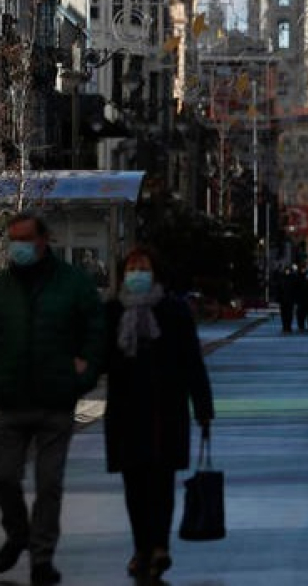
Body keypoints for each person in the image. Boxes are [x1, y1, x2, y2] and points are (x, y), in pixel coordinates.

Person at [0, 212, 104, 586]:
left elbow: (95, 332)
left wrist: (83, 375)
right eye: (14, 239)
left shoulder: (73, 284)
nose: (19, 247)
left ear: (44, 240)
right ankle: (17, 534)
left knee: (49, 484)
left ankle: (42, 557)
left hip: (55, 399)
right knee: (4, 478)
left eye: (25, 239)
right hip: (10, 399)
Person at [103, 246, 214, 579]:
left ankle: (160, 546)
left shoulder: (173, 310)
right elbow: (100, 355)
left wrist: (203, 406)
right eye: (132, 268)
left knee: (162, 482)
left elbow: (192, 360)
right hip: (125, 410)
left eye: (143, 268)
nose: (137, 274)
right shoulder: (112, 311)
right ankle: (142, 547)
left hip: (165, 409)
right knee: (134, 484)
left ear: (155, 273)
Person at [275, 264, 297, 333]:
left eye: (288, 270)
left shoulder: (293, 277)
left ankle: (288, 326)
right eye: (286, 270)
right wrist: (278, 298)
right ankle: (284, 326)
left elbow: (295, 289)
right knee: (283, 313)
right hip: (283, 299)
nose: (287, 271)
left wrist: (295, 298)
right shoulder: (281, 277)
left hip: (290, 299)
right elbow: (278, 289)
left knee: (289, 313)